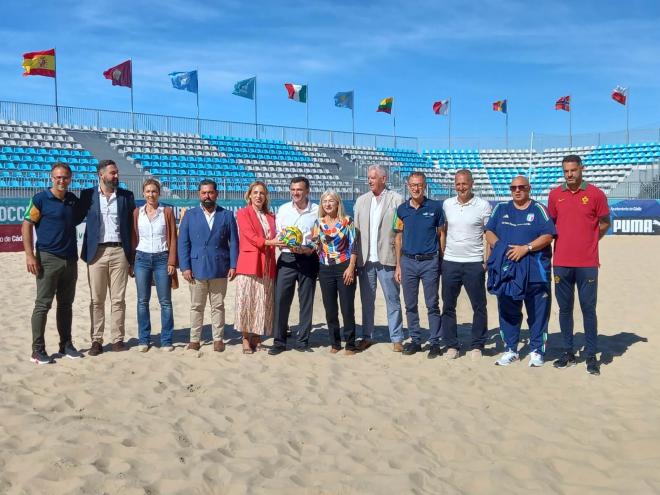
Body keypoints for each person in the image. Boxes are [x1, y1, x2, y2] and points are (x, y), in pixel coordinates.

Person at [548, 155, 610, 375]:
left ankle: (591, 355)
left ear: (581, 169)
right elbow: (551, 226)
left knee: (588, 309)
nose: (569, 175)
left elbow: (604, 222)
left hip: (587, 263)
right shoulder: (555, 195)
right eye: (566, 171)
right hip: (562, 263)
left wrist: (592, 240)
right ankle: (568, 352)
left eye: (573, 170)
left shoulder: (596, 194)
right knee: (565, 309)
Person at [485, 176, 555, 367]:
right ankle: (510, 349)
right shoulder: (501, 208)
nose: (517, 190)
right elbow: (489, 231)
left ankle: (536, 350)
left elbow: (548, 235)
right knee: (508, 311)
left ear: (529, 188)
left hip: (535, 271)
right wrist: (500, 248)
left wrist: (526, 248)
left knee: (537, 312)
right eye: (514, 187)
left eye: (521, 187)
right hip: (507, 271)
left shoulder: (538, 209)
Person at [22, 162, 85, 364]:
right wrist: (30, 255)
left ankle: (65, 345)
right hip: (47, 258)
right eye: (58, 177)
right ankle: (37, 350)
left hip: (70, 260)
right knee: (43, 305)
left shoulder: (73, 200)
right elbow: (26, 225)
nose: (61, 180)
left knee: (66, 305)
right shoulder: (40, 199)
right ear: (51, 177)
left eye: (65, 177)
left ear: (70, 178)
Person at [78, 159, 136, 356]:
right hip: (96, 253)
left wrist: (132, 256)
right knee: (96, 300)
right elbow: (73, 217)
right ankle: (96, 341)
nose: (116, 176)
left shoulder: (127, 196)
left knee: (118, 299)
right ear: (101, 174)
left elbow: (132, 227)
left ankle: (118, 339)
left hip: (120, 252)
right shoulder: (87, 195)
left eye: (117, 172)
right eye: (112, 173)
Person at [178, 179, 238, 352]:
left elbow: (234, 242)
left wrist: (233, 265)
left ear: (216, 194)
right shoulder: (190, 215)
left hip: (220, 266)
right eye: (204, 193)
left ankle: (218, 339)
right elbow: (183, 243)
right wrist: (185, 267)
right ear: (199, 194)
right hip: (196, 268)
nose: (207, 196)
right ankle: (194, 339)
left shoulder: (226, 215)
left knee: (218, 305)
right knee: (197, 306)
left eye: (210, 192)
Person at [440, 170, 492, 360]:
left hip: (473, 263)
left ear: (472, 184)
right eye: (458, 184)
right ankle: (452, 345)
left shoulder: (483, 206)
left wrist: (486, 261)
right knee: (448, 306)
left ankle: (477, 345)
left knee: (479, 306)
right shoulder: (447, 204)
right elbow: (443, 231)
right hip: (451, 262)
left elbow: (489, 235)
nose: (461, 187)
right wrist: (443, 253)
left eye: (465, 183)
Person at [393, 172, 445, 357]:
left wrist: (441, 259)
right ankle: (415, 340)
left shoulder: (436, 207)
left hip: (430, 261)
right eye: (413, 185)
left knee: (432, 303)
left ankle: (435, 342)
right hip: (408, 262)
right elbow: (397, 238)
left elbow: (441, 234)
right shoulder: (401, 210)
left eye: (420, 185)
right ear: (408, 186)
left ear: (425, 186)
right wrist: (398, 265)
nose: (416, 188)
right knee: (410, 304)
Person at [353, 165, 405, 352]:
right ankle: (367, 336)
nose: (370, 180)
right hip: (366, 260)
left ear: (384, 179)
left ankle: (397, 338)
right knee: (367, 301)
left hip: (388, 258)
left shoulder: (397, 199)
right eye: (368, 177)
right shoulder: (361, 201)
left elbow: (400, 231)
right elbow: (356, 232)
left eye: (373, 177)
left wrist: (400, 261)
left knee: (393, 299)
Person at [268, 177, 320, 355]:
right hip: (287, 259)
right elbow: (277, 235)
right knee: (281, 300)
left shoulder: (317, 210)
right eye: (293, 189)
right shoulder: (283, 210)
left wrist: (308, 248)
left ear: (307, 191)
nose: (295, 193)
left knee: (306, 301)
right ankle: (279, 341)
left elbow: (318, 238)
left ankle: (303, 341)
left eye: (299, 190)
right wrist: (282, 243)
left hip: (308, 258)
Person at [234, 181, 284, 354]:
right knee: (247, 302)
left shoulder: (271, 216)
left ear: (266, 196)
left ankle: (257, 338)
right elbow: (250, 236)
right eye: (255, 192)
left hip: (267, 264)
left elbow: (279, 235)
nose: (258, 196)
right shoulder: (242, 213)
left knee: (262, 302)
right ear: (249, 195)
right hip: (249, 264)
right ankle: (245, 339)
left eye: (262, 193)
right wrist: (271, 242)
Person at [131, 179, 178, 352]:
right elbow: (134, 238)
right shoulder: (137, 212)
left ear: (159, 193)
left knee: (165, 302)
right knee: (142, 301)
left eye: (154, 191)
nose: (151, 194)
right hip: (141, 259)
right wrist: (132, 261)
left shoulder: (166, 212)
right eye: (148, 191)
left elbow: (173, 238)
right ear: (143, 193)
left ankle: (166, 340)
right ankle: (144, 339)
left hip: (162, 259)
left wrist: (172, 261)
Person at [312, 191, 358, 355]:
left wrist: (351, 267)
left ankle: (351, 344)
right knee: (330, 308)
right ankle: (335, 343)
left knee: (347, 308)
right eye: (325, 201)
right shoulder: (318, 223)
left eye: (331, 201)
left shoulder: (347, 221)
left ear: (338, 203)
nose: (328, 204)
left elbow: (354, 246)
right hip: (325, 269)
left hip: (344, 267)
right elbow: (315, 246)